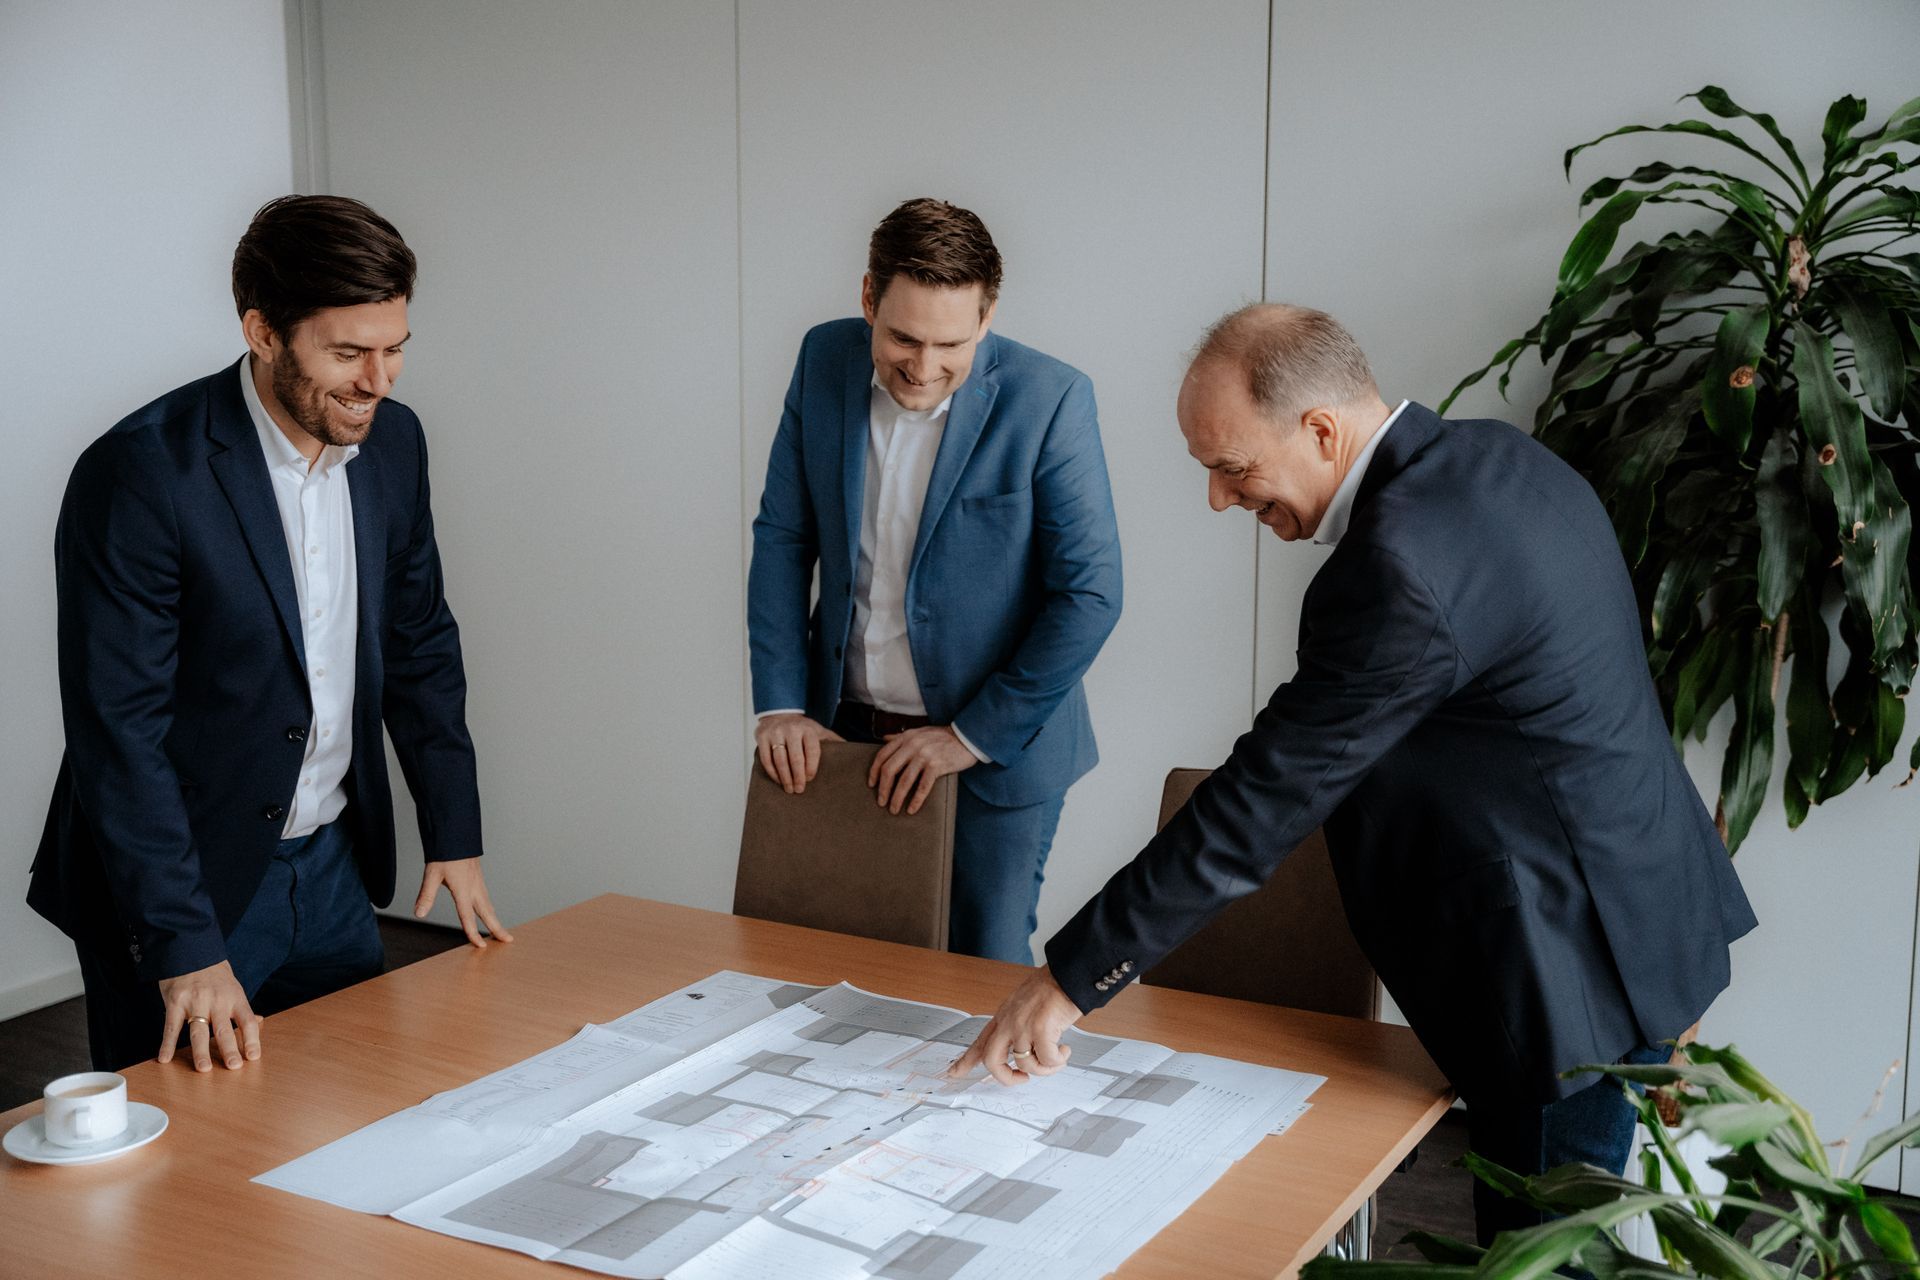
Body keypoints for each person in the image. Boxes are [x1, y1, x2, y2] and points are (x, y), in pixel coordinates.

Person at [952, 303, 1756, 1242]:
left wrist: (1068, 978)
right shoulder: (1500, 458)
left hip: (1564, 976)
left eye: (1232, 468)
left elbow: (1262, 801)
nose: (1220, 499)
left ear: (1321, 431)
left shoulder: (1400, 565)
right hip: (1637, 905)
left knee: (1540, 1257)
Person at [29, 195, 511, 1077]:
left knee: (349, 1115)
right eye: (348, 352)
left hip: (329, 869)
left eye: (395, 347)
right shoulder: (138, 475)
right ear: (262, 332)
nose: (380, 380)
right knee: (187, 1172)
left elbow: (420, 644)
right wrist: (185, 944)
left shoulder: (396, 445)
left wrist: (454, 830)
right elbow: (117, 733)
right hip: (184, 884)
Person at [748, 197, 1123, 962]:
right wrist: (781, 702)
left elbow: (1090, 594)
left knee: (980, 976)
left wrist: (968, 736)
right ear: (866, 301)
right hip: (842, 736)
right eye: (902, 338)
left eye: (951, 343)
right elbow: (785, 538)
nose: (924, 368)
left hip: (997, 752)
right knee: (836, 968)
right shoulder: (823, 359)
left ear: (988, 316)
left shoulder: (1050, 398)